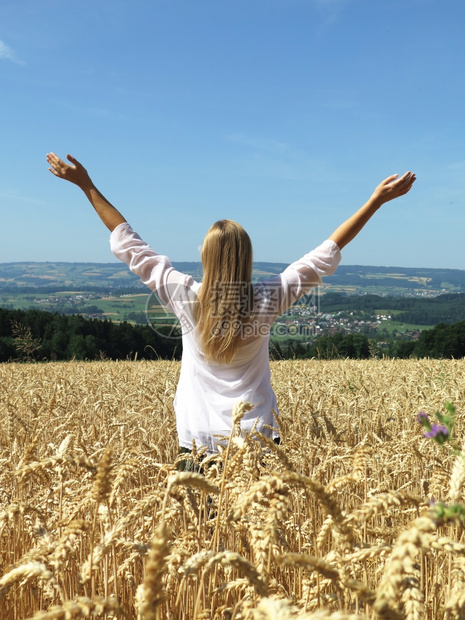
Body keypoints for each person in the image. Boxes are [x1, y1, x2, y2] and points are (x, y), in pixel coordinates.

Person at [46, 152, 416, 454]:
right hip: (256, 439)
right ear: (247, 258)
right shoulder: (268, 299)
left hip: (196, 438)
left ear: (206, 256)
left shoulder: (183, 294)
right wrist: (375, 202)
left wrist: (87, 186)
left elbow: (128, 243)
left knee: (200, 540)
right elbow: (325, 253)